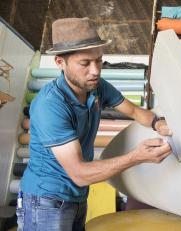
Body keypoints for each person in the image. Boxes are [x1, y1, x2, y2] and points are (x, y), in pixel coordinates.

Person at [17, 17, 172, 231]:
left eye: (99, 60)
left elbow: (135, 111)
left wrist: (158, 122)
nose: (95, 70)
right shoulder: (49, 105)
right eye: (85, 63)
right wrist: (137, 157)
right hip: (45, 202)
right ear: (60, 62)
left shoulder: (97, 87)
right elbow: (79, 173)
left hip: (77, 197)